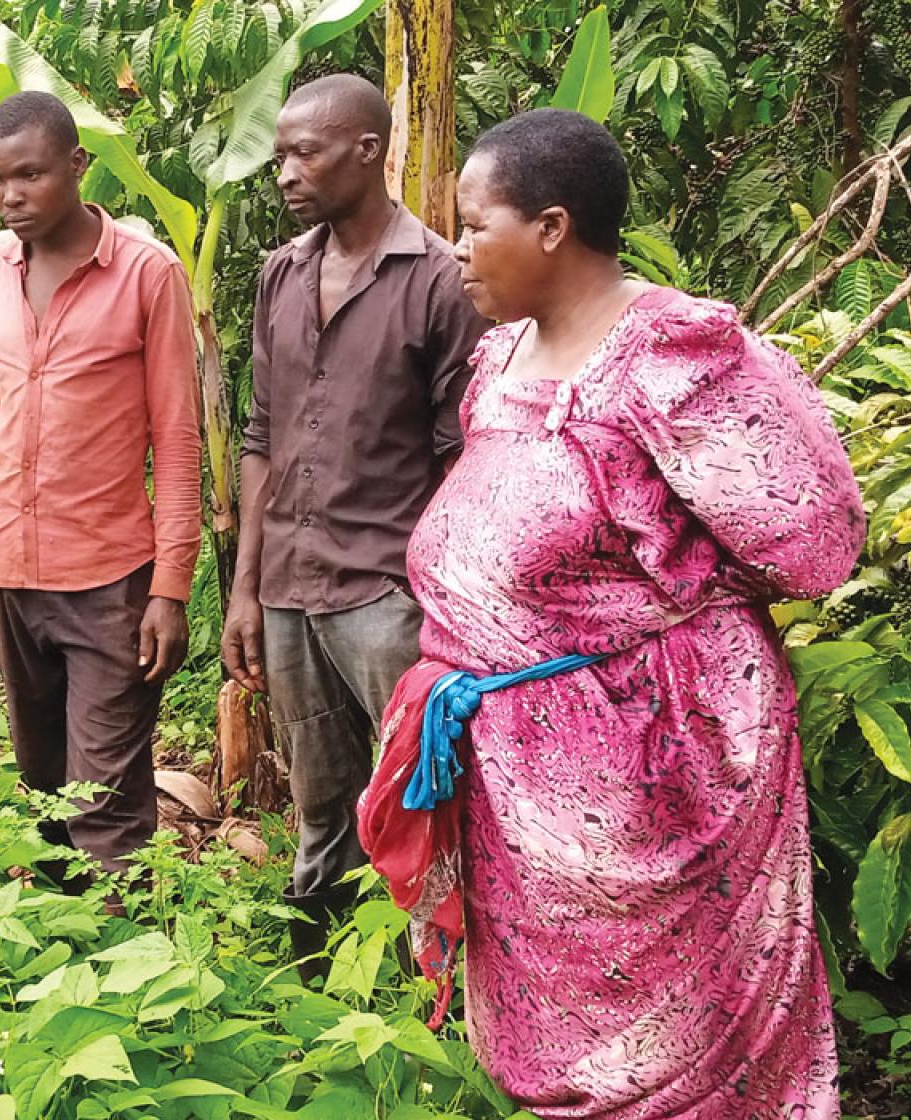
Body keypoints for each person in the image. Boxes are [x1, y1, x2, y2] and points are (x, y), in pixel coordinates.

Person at [357, 109, 865, 1116]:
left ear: (550, 227)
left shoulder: (671, 354)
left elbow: (811, 532)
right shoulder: (500, 358)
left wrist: (650, 623)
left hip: (654, 764)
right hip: (514, 773)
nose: (457, 248)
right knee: (550, 1040)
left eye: (475, 223)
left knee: (676, 1042)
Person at [220, 74, 487, 979]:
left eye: (306, 151)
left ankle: (437, 988)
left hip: (385, 590)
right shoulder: (281, 273)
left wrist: (440, 595)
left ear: (367, 151)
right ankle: (316, 988)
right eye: (281, 151)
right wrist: (245, 588)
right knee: (318, 795)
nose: (284, 170)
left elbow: (462, 454)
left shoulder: (441, 280)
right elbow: (260, 436)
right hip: (290, 585)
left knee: (418, 795)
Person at [0, 91, 202, 884]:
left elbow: (179, 438)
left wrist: (170, 589)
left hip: (107, 581)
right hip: (6, 576)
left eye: (29, 175)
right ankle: (56, 963)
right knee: (42, 789)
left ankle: (131, 977)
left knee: (107, 800)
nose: (10, 196)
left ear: (77, 166)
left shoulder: (145, 273)